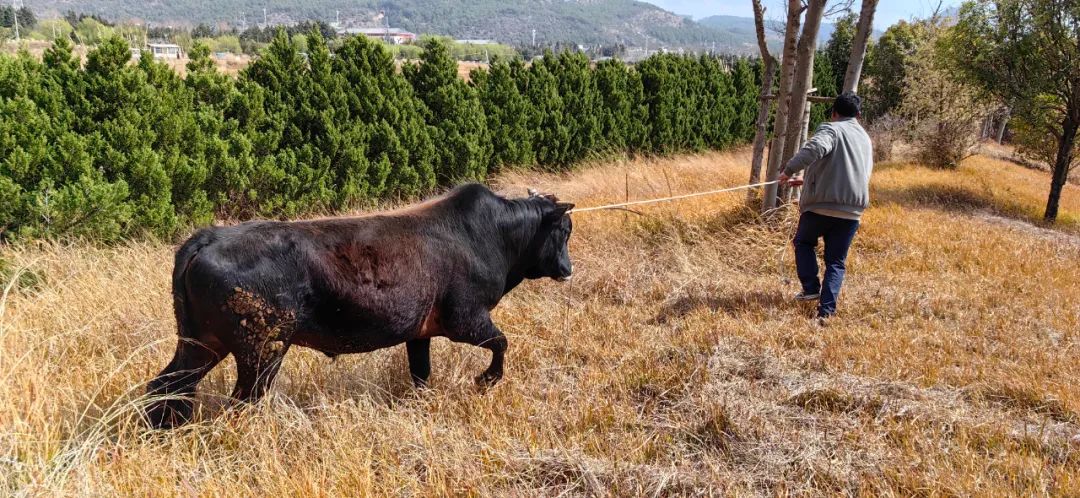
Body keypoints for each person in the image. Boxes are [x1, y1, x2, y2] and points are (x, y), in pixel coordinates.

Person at [778, 92, 874, 321]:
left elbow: (814, 150)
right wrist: (807, 180)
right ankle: (826, 312)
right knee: (836, 262)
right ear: (858, 115)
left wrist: (788, 170)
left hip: (821, 207)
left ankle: (811, 288)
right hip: (852, 211)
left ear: (834, 113)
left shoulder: (831, 129)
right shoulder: (865, 139)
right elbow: (854, 173)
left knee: (803, 242)